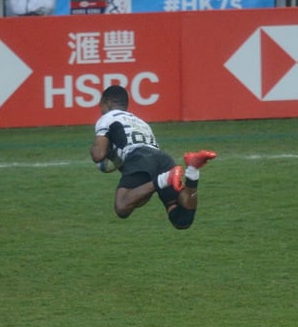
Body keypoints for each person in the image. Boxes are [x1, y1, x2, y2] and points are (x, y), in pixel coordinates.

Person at [90, 84, 216, 230]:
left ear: (107, 102)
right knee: (181, 219)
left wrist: (101, 151)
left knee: (122, 206)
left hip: (140, 157)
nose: (100, 110)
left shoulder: (108, 117)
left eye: (101, 106)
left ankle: (165, 179)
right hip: (162, 158)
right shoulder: (140, 122)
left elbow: (98, 155)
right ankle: (192, 171)